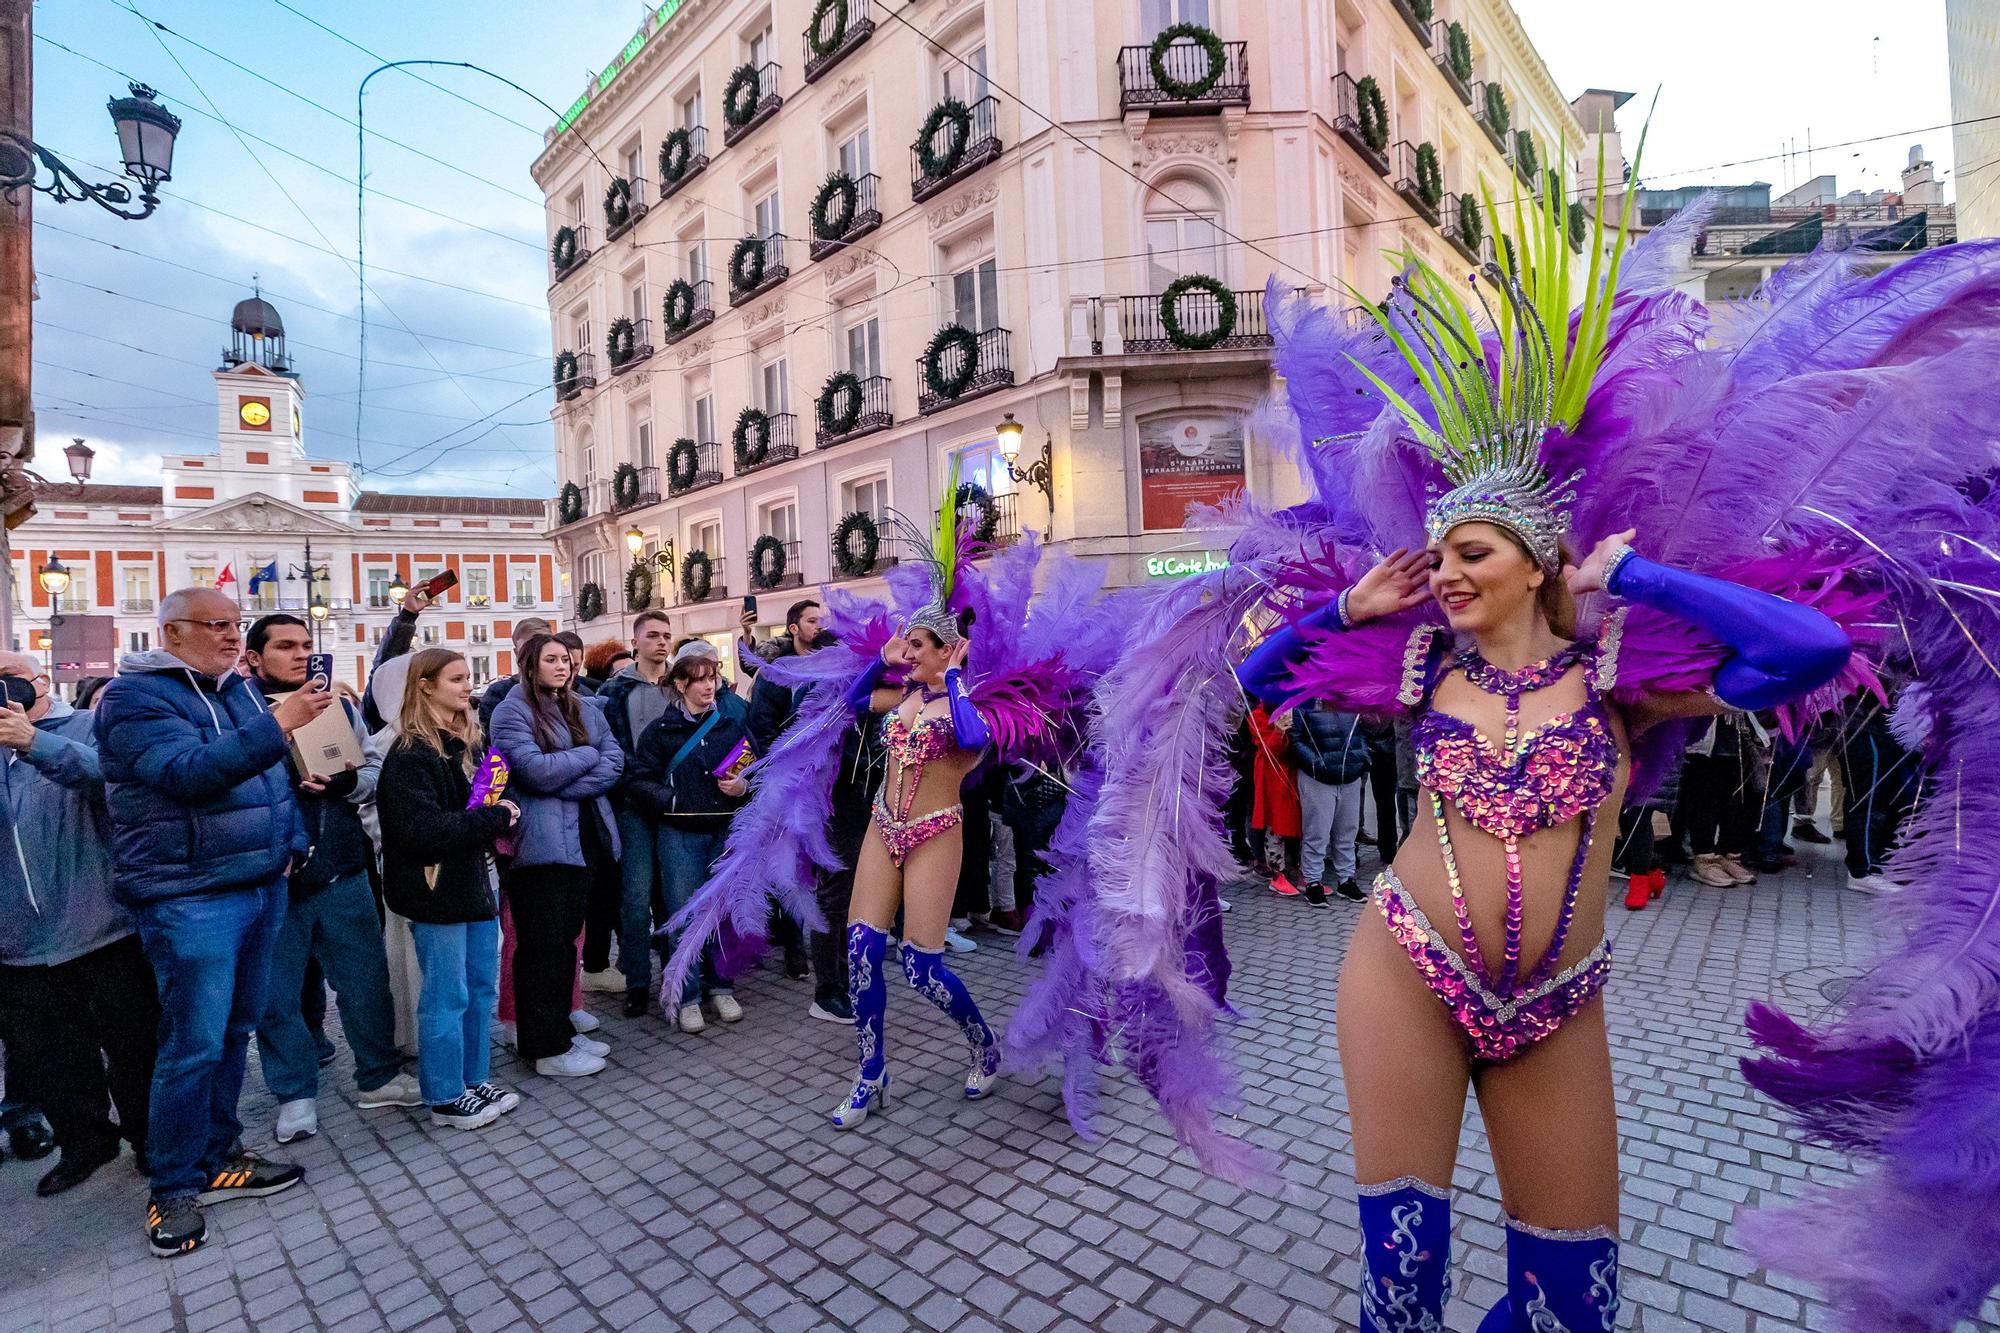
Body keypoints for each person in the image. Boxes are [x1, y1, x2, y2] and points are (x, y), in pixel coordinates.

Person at [96, 587, 334, 1257]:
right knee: (192, 1044)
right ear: (172, 632)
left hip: (259, 884)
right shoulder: (133, 698)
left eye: (235, 624)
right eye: (217, 625)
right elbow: (187, 772)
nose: (234, 636)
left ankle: (219, 1155)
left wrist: (286, 845)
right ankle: (172, 1184)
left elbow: (271, 783)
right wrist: (279, 722)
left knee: (235, 1032)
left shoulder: (233, 690)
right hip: (188, 895)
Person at [245, 615, 419, 1145]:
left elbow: (371, 775)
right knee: (277, 998)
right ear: (254, 658)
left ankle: (379, 1076)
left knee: (365, 984)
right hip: (271, 880)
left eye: (305, 645)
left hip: (341, 870)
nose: (300, 655)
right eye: (284, 647)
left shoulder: (338, 706)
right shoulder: (237, 713)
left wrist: (345, 783)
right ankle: (295, 1094)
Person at [0, 653, 160, 1196]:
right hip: (19, 942)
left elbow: (113, 782)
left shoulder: (88, 726)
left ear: (38, 681)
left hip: (103, 923)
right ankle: (86, 1142)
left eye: (7, 677)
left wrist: (33, 742)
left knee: (134, 1044)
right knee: (52, 1058)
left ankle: (149, 1139)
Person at [377, 649, 522, 1130]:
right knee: (446, 994)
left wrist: (503, 808)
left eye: (468, 678)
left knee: (479, 988)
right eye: (457, 679)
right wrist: (496, 817)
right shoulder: (409, 754)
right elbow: (422, 830)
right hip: (437, 890)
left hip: (478, 881)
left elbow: (488, 798)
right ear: (425, 686)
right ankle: (443, 1094)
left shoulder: (467, 743)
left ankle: (472, 1077)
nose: (468, 686)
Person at [489, 633, 624, 1078]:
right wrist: (584, 756)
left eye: (566, 659)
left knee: (566, 944)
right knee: (541, 947)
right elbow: (534, 772)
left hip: (586, 839)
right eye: (551, 659)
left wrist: (568, 778)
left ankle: (560, 1028)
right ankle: (544, 1047)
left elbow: (615, 760)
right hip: (540, 844)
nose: (562, 666)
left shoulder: (585, 705)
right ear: (530, 665)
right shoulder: (512, 710)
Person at [743, 600, 873, 1020]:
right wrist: (787, 775)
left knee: (850, 897)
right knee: (828, 895)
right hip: (817, 800)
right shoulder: (787, 680)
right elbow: (764, 731)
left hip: (859, 803)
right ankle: (827, 990)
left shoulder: (862, 696)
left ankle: (844, 978)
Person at [625, 646, 750, 1032]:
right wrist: (673, 800)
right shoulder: (660, 732)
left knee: (723, 912)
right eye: (699, 679)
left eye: (712, 678)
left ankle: (722, 987)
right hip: (679, 834)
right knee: (684, 915)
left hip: (724, 831)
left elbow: (756, 767)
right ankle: (688, 994)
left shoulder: (730, 724)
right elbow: (638, 781)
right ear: (680, 684)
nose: (708, 686)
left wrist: (743, 784)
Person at [591, 610, 676, 1016]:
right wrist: (637, 787)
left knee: (675, 896)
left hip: (675, 806)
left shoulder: (682, 684)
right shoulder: (613, 692)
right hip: (632, 805)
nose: (662, 642)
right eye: (654, 635)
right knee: (636, 893)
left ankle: (678, 979)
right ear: (636, 641)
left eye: (667, 635)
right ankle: (638, 981)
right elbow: (610, 748)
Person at [1287, 699, 1373, 906]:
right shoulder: (1303, 702)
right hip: (1318, 777)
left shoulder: (1350, 700)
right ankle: (1313, 882)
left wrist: (1361, 757)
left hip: (1349, 774)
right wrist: (1316, 763)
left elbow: (1360, 733)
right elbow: (1296, 738)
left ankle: (1346, 879)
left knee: (1347, 831)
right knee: (1317, 832)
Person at [477, 616, 552, 738]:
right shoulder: (498, 693)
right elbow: (495, 744)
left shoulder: (570, 691)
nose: (535, 654)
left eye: (542, 647)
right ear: (517, 653)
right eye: (529, 648)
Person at [554, 631, 599, 698]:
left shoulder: (590, 693)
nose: (569, 671)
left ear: (582, 661)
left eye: (575, 665)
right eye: (565, 662)